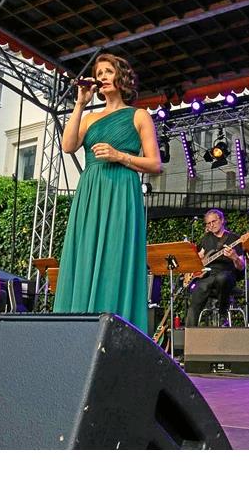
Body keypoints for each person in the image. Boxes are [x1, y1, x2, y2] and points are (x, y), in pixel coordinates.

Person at [53, 53, 161, 331]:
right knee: (84, 252)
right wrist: (79, 103)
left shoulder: (138, 115)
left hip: (121, 189)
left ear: (121, 77)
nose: (101, 77)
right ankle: (77, 326)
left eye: (107, 71)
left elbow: (155, 164)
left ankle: (114, 327)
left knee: (115, 254)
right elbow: (67, 146)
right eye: (98, 73)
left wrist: (120, 156)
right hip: (91, 191)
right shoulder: (89, 118)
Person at [186, 209, 246, 327]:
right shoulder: (206, 238)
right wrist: (193, 270)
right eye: (208, 223)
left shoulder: (234, 239)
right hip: (208, 275)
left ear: (222, 220)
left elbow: (241, 266)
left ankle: (223, 312)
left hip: (227, 274)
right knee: (198, 291)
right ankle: (190, 331)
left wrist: (234, 257)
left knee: (222, 277)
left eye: (214, 221)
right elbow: (199, 257)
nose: (211, 225)